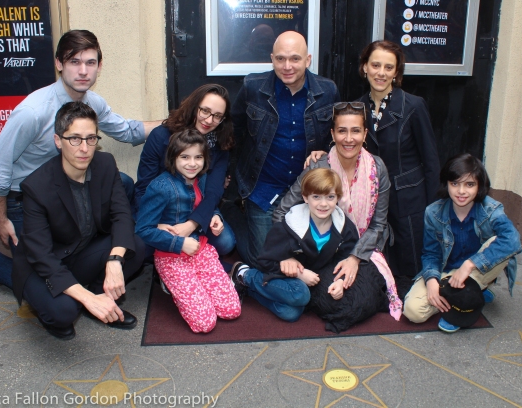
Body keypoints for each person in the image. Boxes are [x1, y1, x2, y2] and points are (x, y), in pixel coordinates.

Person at [0, 30, 160, 288]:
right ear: (59, 64)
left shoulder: (92, 103)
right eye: (74, 62)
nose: (83, 71)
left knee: (123, 183)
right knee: (41, 283)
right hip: (26, 201)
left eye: (90, 62)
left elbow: (127, 130)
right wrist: (1, 218)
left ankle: (118, 250)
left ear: (99, 66)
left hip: (70, 193)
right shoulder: (32, 112)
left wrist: (178, 121)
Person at [12, 102, 146, 340]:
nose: (84, 148)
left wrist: (115, 260)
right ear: (58, 140)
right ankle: (87, 302)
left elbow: (121, 214)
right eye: (74, 139)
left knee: (136, 245)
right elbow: (42, 257)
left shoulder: (105, 165)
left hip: (81, 251)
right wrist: (87, 298)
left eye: (91, 138)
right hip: (45, 266)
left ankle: (99, 300)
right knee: (64, 312)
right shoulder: (36, 187)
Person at [275, 102, 405, 310]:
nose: (348, 138)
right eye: (342, 131)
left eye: (355, 131)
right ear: (333, 134)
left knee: (360, 298)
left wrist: (354, 257)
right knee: (333, 301)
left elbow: (378, 224)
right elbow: (282, 211)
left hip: (365, 248)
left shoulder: (377, 168)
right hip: (322, 250)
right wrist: (288, 254)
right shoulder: (319, 165)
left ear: (364, 135)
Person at [229, 30, 340, 270]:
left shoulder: (327, 91)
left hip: (304, 193)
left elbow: (337, 135)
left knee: (306, 262)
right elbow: (234, 130)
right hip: (262, 189)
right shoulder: (253, 87)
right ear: (272, 59)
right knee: (266, 262)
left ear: (308, 60)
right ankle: (236, 217)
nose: (287, 66)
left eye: (295, 59)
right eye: (280, 59)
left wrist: (325, 150)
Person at [232, 168, 394, 332]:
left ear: (338, 198)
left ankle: (250, 289)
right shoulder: (289, 226)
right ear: (305, 198)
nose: (323, 204)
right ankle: (245, 275)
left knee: (291, 313)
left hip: (313, 280)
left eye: (330, 197)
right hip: (288, 278)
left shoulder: (344, 226)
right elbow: (265, 260)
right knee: (300, 294)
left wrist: (340, 281)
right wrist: (291, 268)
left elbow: (344, 258)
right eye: (316, 197)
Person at [135, 129, 241, 333]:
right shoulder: (160, 187)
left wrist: (215, 215)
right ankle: (174, 284)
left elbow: (204, 205)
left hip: (200, 250)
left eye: (198, 157)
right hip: (171, 256)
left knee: (231, 310)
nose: (192, 163)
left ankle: (198, 285)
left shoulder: (200, 179)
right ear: (173, 158)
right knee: (204, 324)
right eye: (184, 157)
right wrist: (180, 243)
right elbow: (143, 229)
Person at [403, 153, 522, 333]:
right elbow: (431, 253)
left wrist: (470, 264)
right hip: (448, 272)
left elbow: (513, 240)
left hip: (477, 270)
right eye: (455, 184)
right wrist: (432, 281)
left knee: (501, 241)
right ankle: (471, 292)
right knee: (413, 311)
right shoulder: (433, 212)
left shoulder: (490, 209)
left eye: (470, 184)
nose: (461, 191)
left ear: (479, 185)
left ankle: (466, 297)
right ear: (447, 184)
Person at [357, 40, 440, 278]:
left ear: (396, 72)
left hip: (409, 201)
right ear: (364, 67)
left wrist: (434, 209)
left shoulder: (413, 106)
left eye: (388, 67)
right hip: (373, 198)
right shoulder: (358, 107)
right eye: (375, 65)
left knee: (411, 266)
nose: (381, 73)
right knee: (379, 261)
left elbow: (431, 162)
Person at [134, 84, 236, 259]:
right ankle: (168, 266)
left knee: (225, 242)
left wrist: (193, 223)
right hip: (160, 210)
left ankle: (193, 261)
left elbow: (213, 191)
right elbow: (144, 185)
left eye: (217, 116)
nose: (209, 120)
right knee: (144, 245)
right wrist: (155, 223)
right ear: (194, 106)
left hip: (194, 208)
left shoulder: (220, 145)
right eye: (205, 111)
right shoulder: (160, 136)